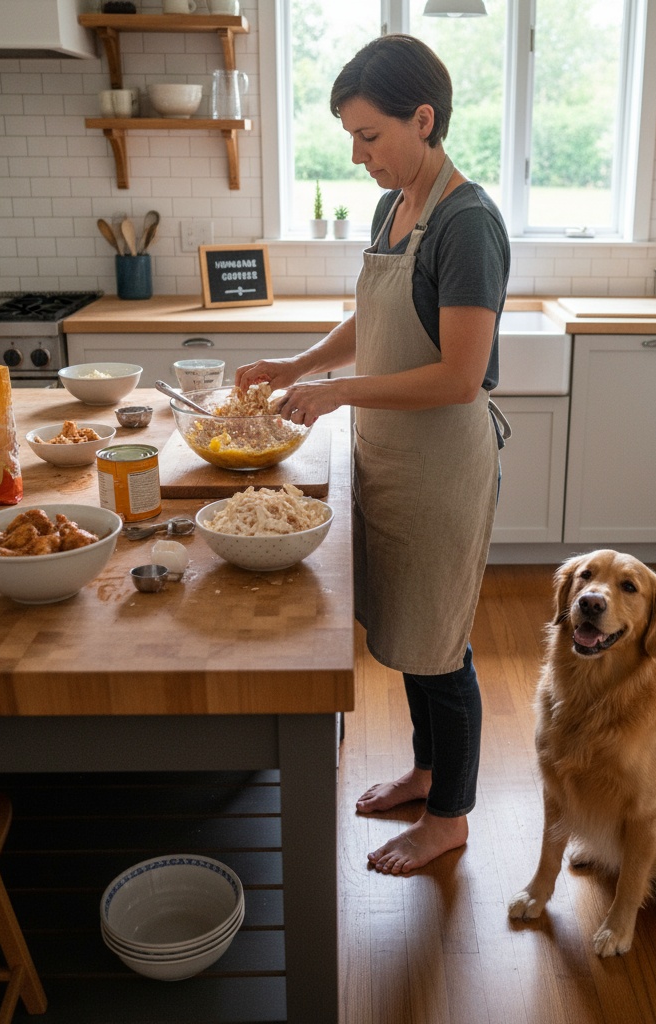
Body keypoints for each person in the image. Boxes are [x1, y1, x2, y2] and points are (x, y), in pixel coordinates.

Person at [235, 34, 510, 874]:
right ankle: (426, 774)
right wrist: (300, 366)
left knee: (441, 648)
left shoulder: (467, 223)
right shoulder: (396, 206)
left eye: (369, 135)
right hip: (390, 456)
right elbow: (376, 318)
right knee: (410, 633)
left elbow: (459, 376)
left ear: (422, 120)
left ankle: (451, 817)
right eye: (351, 137)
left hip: (440, 467)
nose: (358, 156)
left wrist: (339, 393)